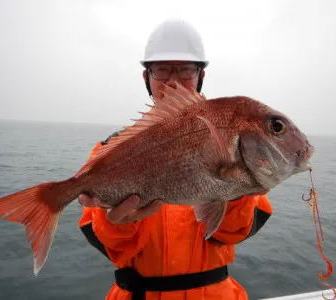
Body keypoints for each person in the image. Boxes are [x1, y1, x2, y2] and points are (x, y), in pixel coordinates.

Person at [77, 19, 273, 300]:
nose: (173, 80)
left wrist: (236, 188)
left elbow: (235, 233)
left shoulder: (230, 136)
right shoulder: (108, 152)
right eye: (161, 69)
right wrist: (115, 222)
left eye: (185, 69)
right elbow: (106, 245)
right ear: (146, 78)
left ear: (200, 76)